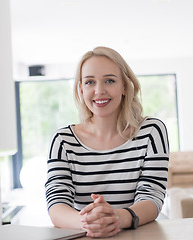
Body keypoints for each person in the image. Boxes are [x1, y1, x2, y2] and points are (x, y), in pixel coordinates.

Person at [45, 46, 169, 238]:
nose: (99, 91)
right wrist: (90, 223)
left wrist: (116, 218)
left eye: (109, 80)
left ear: (125, 87)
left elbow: (152, 197)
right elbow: (56, 203)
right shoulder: (63, 141)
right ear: (81, 89)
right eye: (89, 82)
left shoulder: (151, 132)